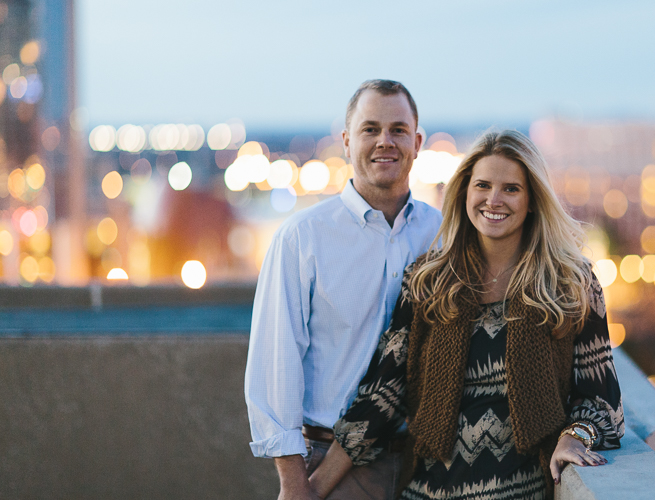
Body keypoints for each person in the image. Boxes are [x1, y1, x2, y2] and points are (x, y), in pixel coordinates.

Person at [309, 130, 625, 499]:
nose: (494, 200)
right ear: (464, 193)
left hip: (520, 492)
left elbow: (602, 400)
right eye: (483, 185)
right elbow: (383, 395)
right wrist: (311, 490)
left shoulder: (570, 284)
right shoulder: (428, 281)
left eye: (511, 188)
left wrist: (576, 436)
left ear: (533, 200)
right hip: (427, 492)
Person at [244, 79, 442, 500]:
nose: (384, 142)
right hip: (330, 466)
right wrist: (293, 483)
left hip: (428, 467)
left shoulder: (444, 234)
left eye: (398, 130)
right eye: (370, 129)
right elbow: (275, 361)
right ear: (347, 141)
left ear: (417, 141)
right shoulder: (303, 238)